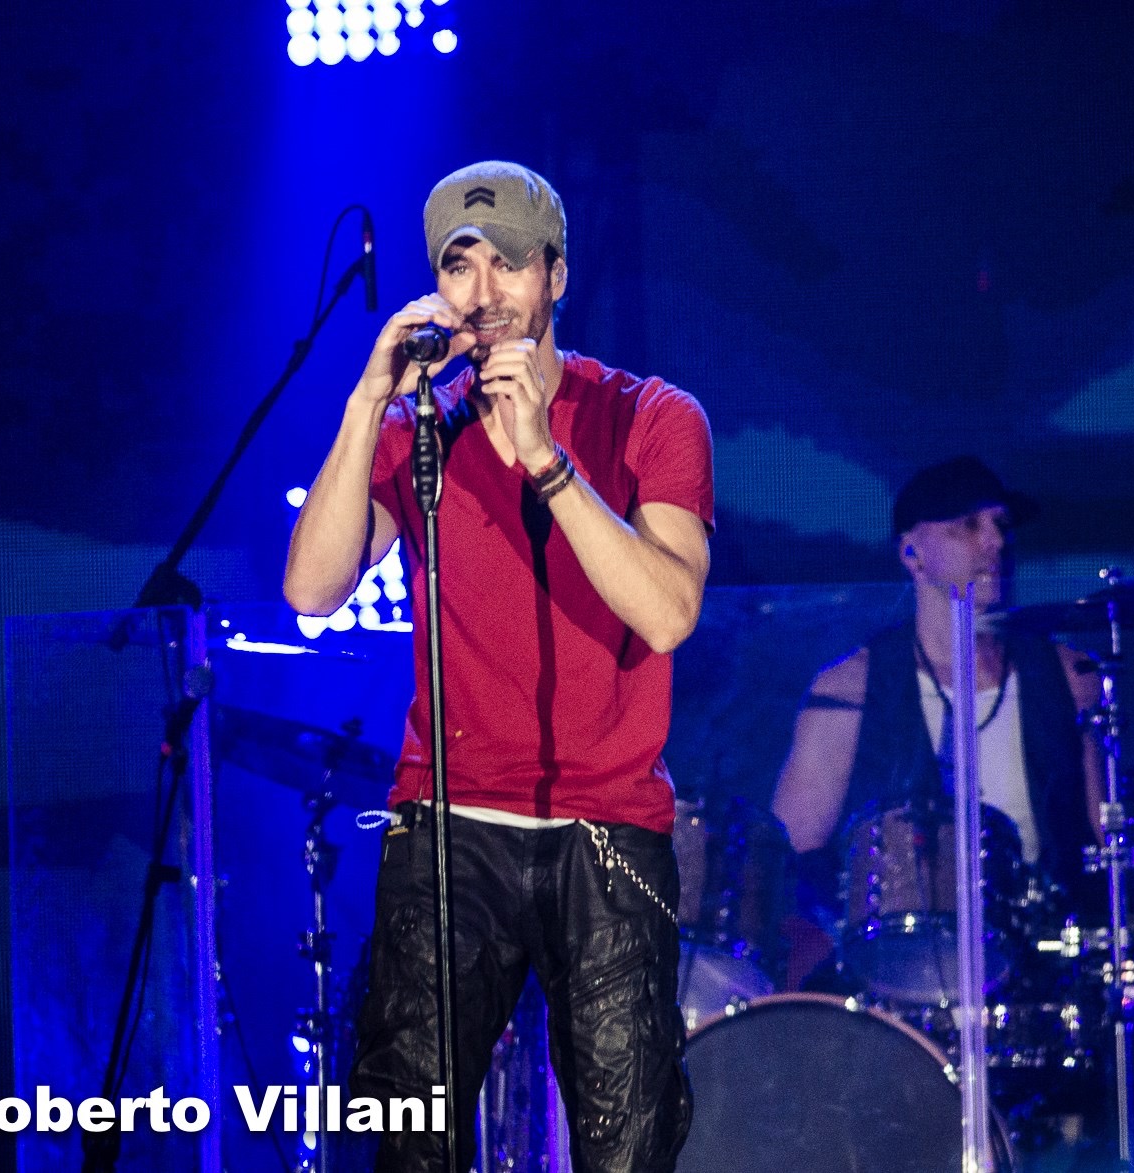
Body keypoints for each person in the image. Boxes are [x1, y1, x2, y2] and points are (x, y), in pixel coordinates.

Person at [283, 161, 713, 1173]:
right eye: (459, 266)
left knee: (626, 1146)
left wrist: (544, 459)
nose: (484, 292)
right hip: (447, 829)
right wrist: (367, 401)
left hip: (603, 832)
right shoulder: (418, 431)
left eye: (509, 263)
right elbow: (311, 589)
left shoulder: (650, 416)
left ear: (555, 275)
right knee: (407, 1142)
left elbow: (666, 613)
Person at [770, 457, 1106, 949]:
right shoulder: (851, 686)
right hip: (903, 953)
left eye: (1001, 526)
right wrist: (858, 938)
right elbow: (792, 848)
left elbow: (1103, 836)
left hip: (1049, 949)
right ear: (912, 553)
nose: (994, 542)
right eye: (966, 526)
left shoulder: (1071, 676)